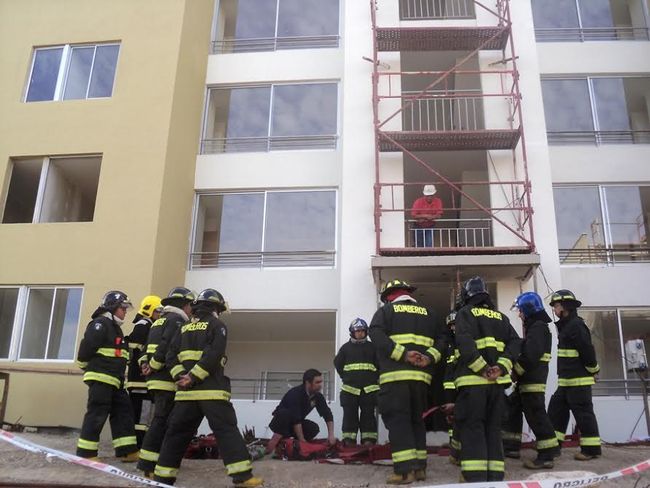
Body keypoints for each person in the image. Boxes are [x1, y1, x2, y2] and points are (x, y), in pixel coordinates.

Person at [153, 288, 263, 487]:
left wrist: (181, 376)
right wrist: (193, 377)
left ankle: (162, 479)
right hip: (211, 391)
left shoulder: (183, 327)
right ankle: (243, 478)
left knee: (175, 436)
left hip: (185, 395)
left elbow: (170, 356)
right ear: (215, 308)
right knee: (226, 432)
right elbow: (213, 355)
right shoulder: (217, 325)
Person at [369, 279, 449, 485]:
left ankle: (404, 472)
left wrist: (403, 354)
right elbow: (443, 340)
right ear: (408, 294)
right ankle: (420, 468)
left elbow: (375, 334)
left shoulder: (385, 312)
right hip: (421, 380)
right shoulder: (429, 313)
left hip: (395, 378)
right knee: (416, 422)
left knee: (399, 423)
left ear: (388, 296)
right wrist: (429, 357)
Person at [453, 276, 521, 482]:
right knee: (493, 428)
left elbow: (465, 343)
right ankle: (495, 476)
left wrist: (482, 368)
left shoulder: (464, 314)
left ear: (467, 295)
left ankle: (475, 478)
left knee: (473, 428)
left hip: (473, 384)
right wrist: (501, 368)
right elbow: (516, 343)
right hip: (497, 386)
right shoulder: (501, 317)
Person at [137, 287, 196, 476]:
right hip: (165, 378)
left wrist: (145, 364)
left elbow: (146, 347)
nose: (190, 311)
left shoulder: (158, 321)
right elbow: (166, 346)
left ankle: (148, 462)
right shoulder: (177, 320)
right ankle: (149, 465)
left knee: (159, 420)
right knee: (162, 421)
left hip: (154, 378)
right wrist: (154, 365)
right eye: (189, 306)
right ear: (183, 305)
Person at [76, 290, 139, 462]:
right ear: (112, 307)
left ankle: (127, 451)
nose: (125, 311)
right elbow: (86, 350)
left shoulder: (114, 327)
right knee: (97, 414)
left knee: (123, 412)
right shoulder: (100, 324)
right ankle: (86, 454)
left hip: (116, 381)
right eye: (123, 308)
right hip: (101, 379)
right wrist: (87, 368)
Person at [502, 292, 559, 469]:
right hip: (528, 379)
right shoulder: (536, 327)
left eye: (520, 311)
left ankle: (547, 454)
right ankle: (511, 447)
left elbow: (531, 355)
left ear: (528, 309)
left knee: (536, 415)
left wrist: (516, 372)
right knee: (513, 405)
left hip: (532, 380)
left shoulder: (538, 327)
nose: (519, 315)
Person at [547, 289, 601, 461]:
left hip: (578, 381)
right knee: (556, 411)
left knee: (584, 415)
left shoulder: (576, 326)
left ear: (565, 307)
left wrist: (594, 370)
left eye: (556, 306)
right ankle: (553, 446)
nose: (554, 310)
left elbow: (587, 352)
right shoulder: (567, 326)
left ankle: (591, 450)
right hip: (566, 381)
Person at [265, 369, 336, 454]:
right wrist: (302, 441)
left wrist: (331, 435)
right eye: (317, 382)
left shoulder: (318, 396)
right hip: (281, 423)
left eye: (321, 382)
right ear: (308, 383)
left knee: (313, 428)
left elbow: (327, 414)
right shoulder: (295, 394)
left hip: (295, 425)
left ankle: (293, 443)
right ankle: (277, 442)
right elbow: (296, 419)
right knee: (284, 414)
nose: (320, 385)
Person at [333, 318, 379, 446]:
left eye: (362, 331)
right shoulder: (345, 348)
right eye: (357, 331)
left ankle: (368, 440)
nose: (360, 333)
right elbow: (337, 363)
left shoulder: (372, 347)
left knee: (368, 416)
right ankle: (349, 440)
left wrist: (375, 377)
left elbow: (380, 365)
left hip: (369, 390)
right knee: (349, 416)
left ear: (366, 332)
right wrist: (346, 377)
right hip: (349, 390)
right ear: (352, 332)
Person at [125, 295, 162, 447]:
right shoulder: (144, 324)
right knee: (141, 416)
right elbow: (134, 350)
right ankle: (137, 446)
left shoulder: (149, 324)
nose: (160, 314)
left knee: (144, 416)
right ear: (150, 310)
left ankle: (140, 446)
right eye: (158, 311)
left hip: (143, 380)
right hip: (139, 380)